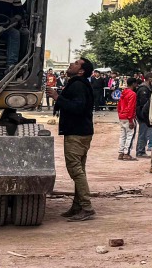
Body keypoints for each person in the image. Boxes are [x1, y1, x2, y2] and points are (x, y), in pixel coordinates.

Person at [56, 56, 97, 221]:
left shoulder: (78, 85)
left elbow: (78, 107)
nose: (71, 64)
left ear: (81, 70)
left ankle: (86, 207)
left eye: (75, 63)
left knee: (75, 170)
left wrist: (58, 98)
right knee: (79, 169)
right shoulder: (79, 84)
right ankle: (77, 205)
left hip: (77, 132)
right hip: (81, 131)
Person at [117, 77, 140, 160]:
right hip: (128, 116)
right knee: (130, 135)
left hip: (122, 116)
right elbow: (131, 107)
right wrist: (131, 120)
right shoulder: (132, 94)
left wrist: (120, 114)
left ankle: (121, 153)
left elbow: (119, 106)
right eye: (136, 83)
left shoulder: (123, 92)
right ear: (133, 84)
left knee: (122, 135)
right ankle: (126, 153)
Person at [135, 75, 152, 157]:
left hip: (143, 113)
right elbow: (144, 104)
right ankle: (140, 151)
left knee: (144, 132)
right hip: (143, 114)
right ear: (149, 79)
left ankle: (141, 150)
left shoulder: (146, 88)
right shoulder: (144, 89)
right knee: (143, 133)